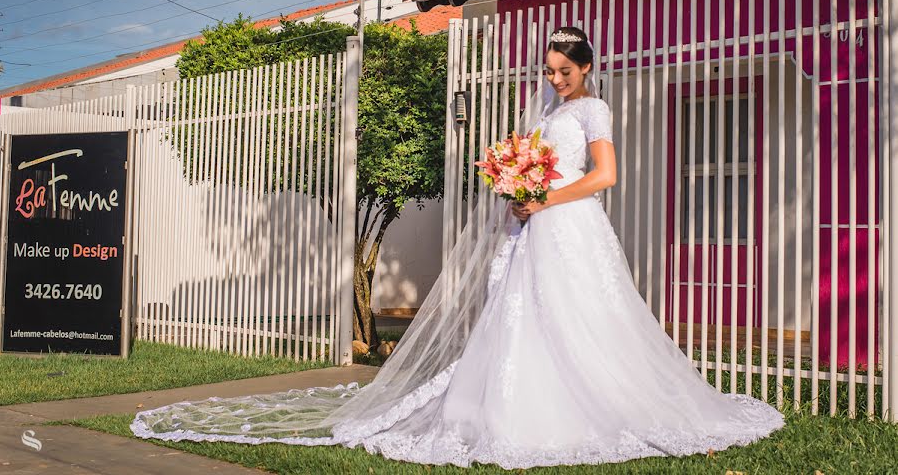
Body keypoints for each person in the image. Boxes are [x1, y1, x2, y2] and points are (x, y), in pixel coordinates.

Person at [132, 26, 785, 469]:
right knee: (519, 312)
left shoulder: (593, 112)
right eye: (550, 71)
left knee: (581, 314)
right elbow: (534, 161)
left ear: (585, 69)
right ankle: (500, 401)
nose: (556, 79)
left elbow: (604, 177)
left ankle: (591, 403)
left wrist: (545, 198)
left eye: (565, 71)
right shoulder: (546, 113)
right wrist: (514, 185)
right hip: (532, 223)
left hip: (569, 223)